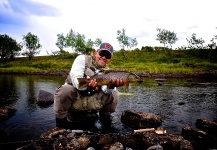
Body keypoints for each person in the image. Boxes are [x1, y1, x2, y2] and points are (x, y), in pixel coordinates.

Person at [53, 42, 124, 130]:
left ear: (110, 59)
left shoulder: (108, 72)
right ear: (96, 52)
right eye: (102, 53)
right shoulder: (82, 59)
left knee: (114, 94)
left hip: (91, 103)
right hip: (76, 101)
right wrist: (88, 86)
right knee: (65, 90)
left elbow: (106, 91)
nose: (104, 57)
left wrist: (111, 86)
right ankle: (61, 125)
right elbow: (76, 80)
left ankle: (105, 122)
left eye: (108, 56)